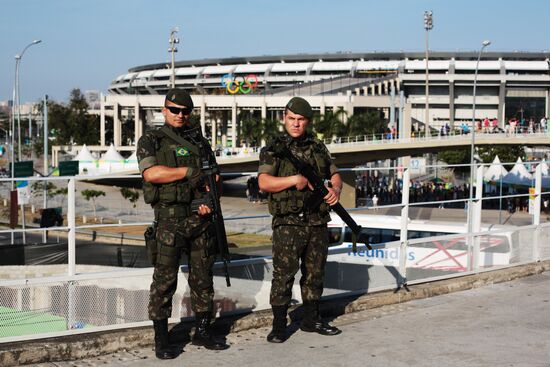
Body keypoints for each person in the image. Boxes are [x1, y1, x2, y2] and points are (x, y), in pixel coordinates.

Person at [137, 88, 228, 359]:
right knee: (164, 282)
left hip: (199, 219)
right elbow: (151, 173)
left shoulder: (199, 141)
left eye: (185, 111)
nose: (180, 115)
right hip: (169, 222)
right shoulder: (151, 139)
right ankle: (162, 339)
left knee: (203, 279)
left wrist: (210, 202)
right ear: (164, 110)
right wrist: (187, 172)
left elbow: (215, 177)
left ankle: (202, 330)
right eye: (174, 110)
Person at [258, 96, 343, 343]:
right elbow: (264, 182)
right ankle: (278, 324)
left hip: (316, 221)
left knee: (315, 272)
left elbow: (335, 174)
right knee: (283, 274)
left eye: (301, 120)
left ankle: (312, 318)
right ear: (284, 117)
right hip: (288, 222)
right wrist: (293, 180)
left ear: (307, 121)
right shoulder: (273, 149)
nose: (295, 124)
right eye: (291, 119)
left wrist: (335, 190)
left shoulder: (318, 148)